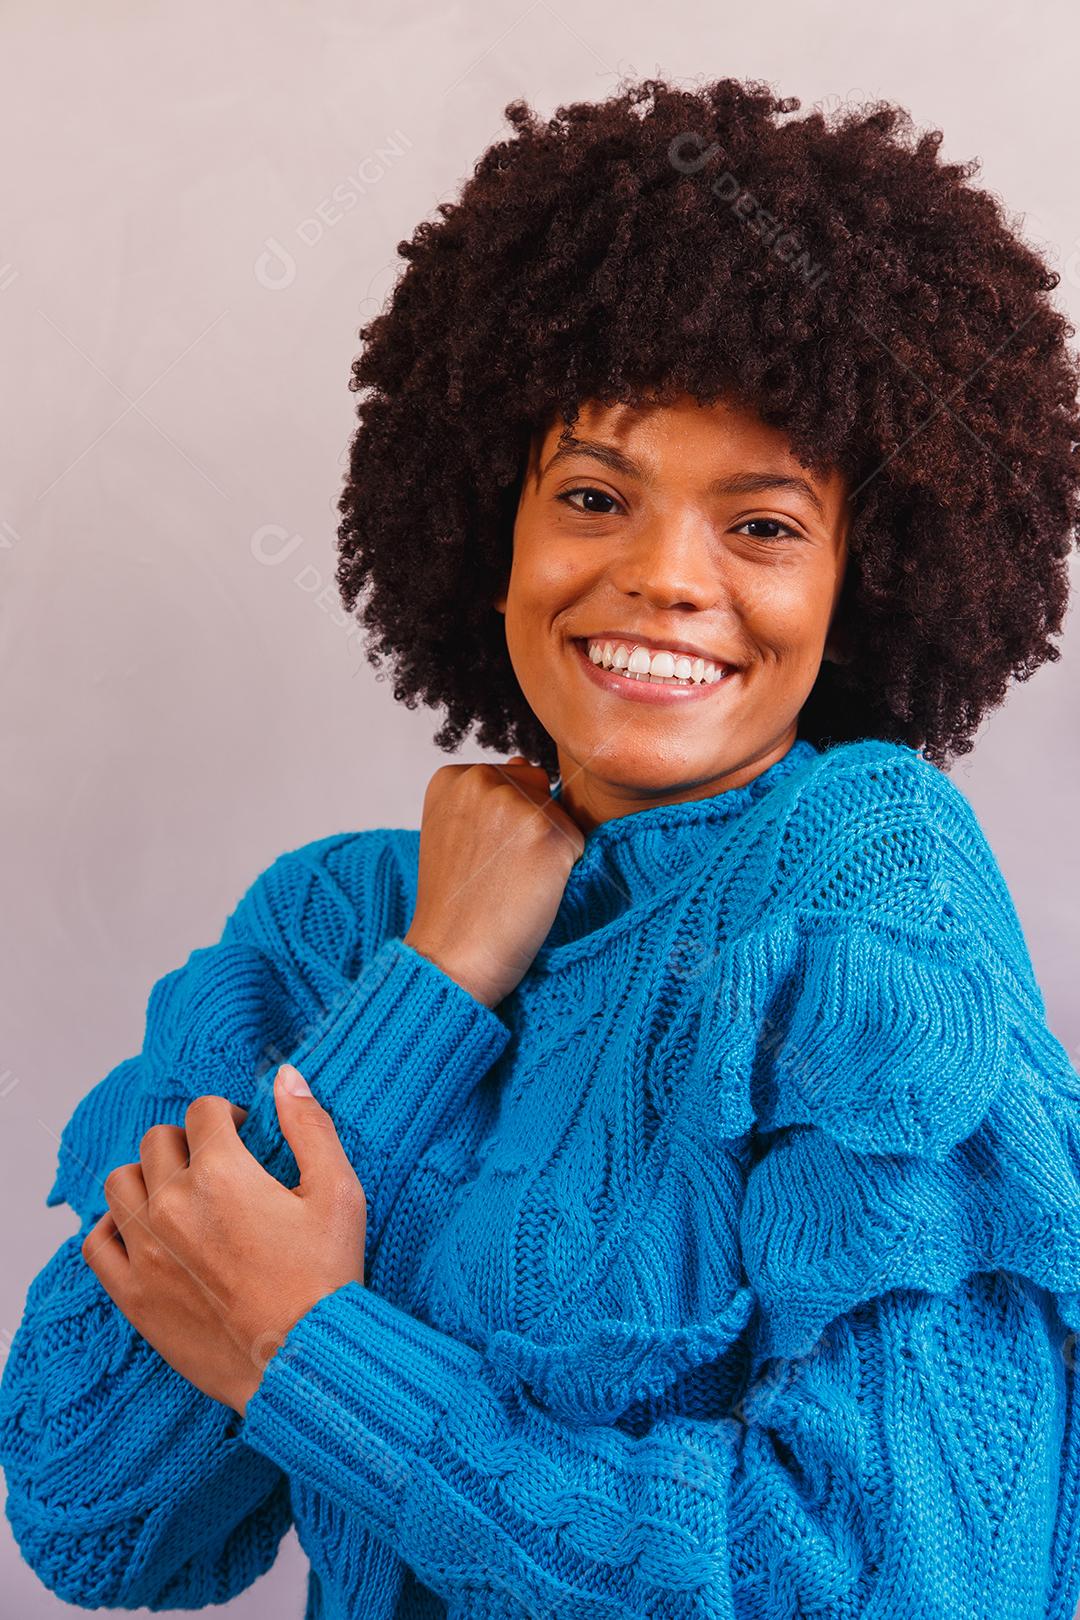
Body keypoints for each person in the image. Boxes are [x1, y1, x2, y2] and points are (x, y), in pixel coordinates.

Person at [3, 75, 1080, 1620]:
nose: (664, 577)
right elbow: (89, 1508)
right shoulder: (335, 926)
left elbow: (907, 1583)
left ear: (864, 580)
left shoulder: (864, 889)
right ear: (490, 533)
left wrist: (309, 1355)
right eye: (593, 495)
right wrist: (434, 981)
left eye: (762, 526)